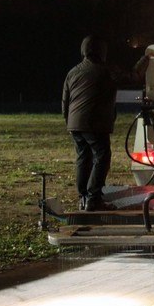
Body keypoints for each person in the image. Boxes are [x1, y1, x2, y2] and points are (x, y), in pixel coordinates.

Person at [62, 35, 118, 211]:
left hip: (75, 124)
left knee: (83, 159)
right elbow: (133, 76)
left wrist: (70, 123)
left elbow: (65, 101)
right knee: (102, 157)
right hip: (94, 124)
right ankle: (94, 198)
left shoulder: (73, 72)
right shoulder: (105, 70)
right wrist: (146, 58)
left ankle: (83, 199)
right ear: (102, 52)